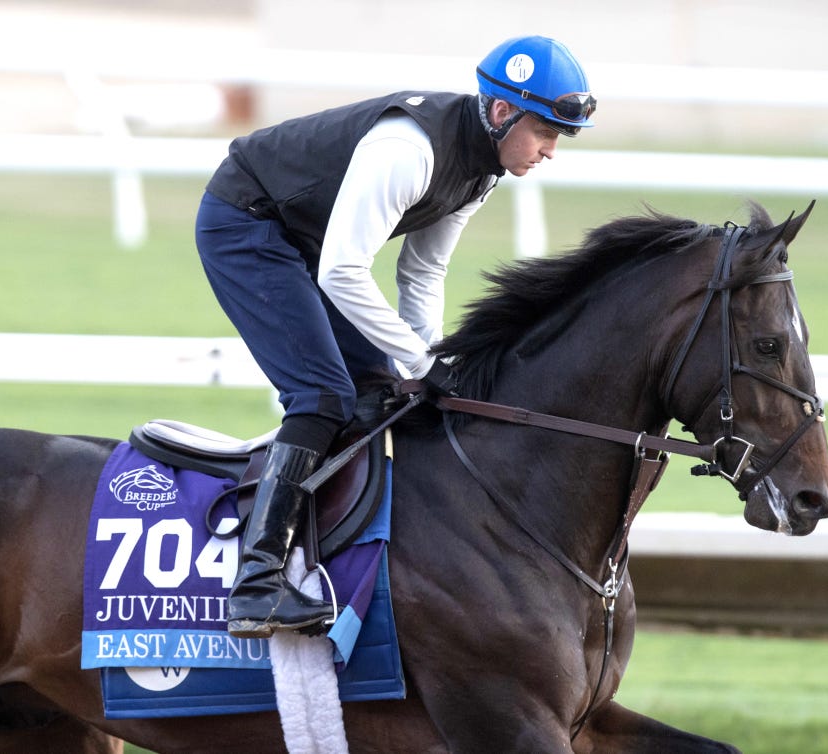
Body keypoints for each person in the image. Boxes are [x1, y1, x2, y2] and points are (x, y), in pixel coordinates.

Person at [195, 35, 595, 639]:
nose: (550, 151)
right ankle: (258, 582)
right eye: (544, 132)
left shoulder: (481, 169)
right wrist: (422, 360)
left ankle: (340, 552)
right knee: (321, 396)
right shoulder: (408, 151)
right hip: (246, 223)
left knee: (383, 388)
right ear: (501, 111)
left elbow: (422, 272)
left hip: (304, 241)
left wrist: (424, 363)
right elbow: (342, 271)